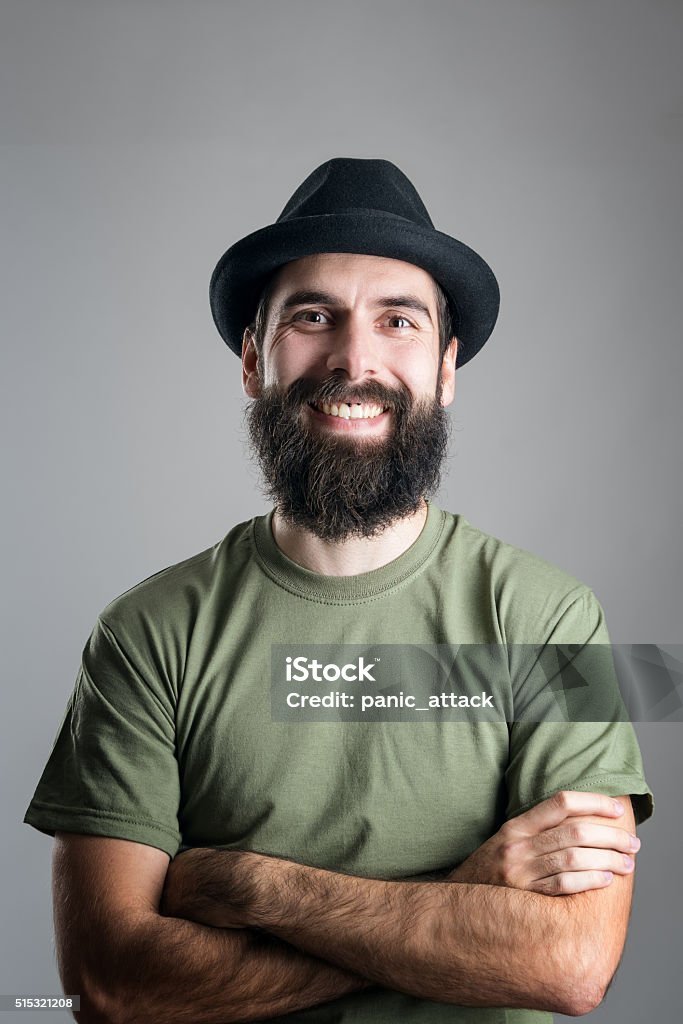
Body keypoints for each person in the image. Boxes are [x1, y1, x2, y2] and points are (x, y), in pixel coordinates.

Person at [24, 158, 653, 1024]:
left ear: (445, 367)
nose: (354, 357)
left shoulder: (553, 619)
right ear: (254, 360)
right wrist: (464, 900)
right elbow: (113, 984)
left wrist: (253, 884)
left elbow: (569, 963)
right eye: (313, 317)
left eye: (398, 320)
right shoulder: (146, 635)